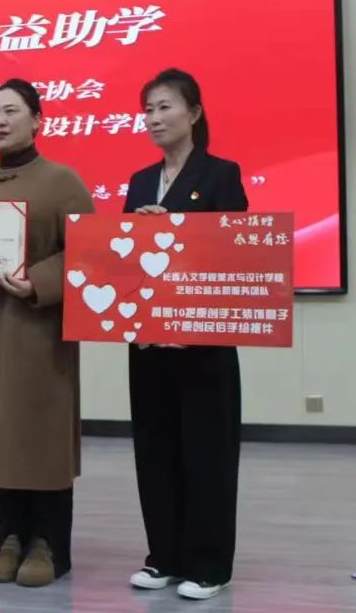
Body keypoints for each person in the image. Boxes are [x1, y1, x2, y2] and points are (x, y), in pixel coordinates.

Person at [0, 78, 94, 587]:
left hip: (37, 331)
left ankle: (49, 543)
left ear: (37, 120)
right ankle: (10, 537)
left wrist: (37, 281)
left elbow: (88, 253)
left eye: (10, 111)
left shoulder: (62, 181)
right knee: (0, 434)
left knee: (39, 436)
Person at [123, 68, 248, 601]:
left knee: (206, 453)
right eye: (148, 109)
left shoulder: (221, 174)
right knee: (155, 450)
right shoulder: (138, 181)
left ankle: (210, 564)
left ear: (193, 113)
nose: (154, 118)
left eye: (165, 107)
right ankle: (164, 557)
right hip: (149, 341)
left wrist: (172, 226)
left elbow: (234, 252)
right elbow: (124, 259)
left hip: (202, 343)